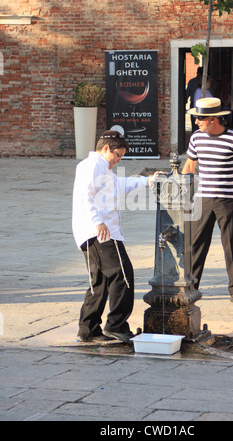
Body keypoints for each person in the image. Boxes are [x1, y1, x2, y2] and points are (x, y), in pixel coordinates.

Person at [72, 130, 158, 342]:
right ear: (105, 149)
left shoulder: (103, 169)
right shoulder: (91, 165)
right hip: (100, 232)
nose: (118, 160)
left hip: (94, 232)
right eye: (117, 155)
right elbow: (86, 196)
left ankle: (88, 330)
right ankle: (117, 325)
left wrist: (146, 181)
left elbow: (120, 186)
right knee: (123, 275)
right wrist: (98, 222)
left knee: (99, 283)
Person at [182, 98, 233, 306]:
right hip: (202, 199)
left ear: (213, 118)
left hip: (227, 200)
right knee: (196, 245)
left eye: (199, 118)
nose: (196, 122)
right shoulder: (196, 138)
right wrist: (184, 194)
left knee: (232, 246)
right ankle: (191, 289)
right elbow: (190, 165)